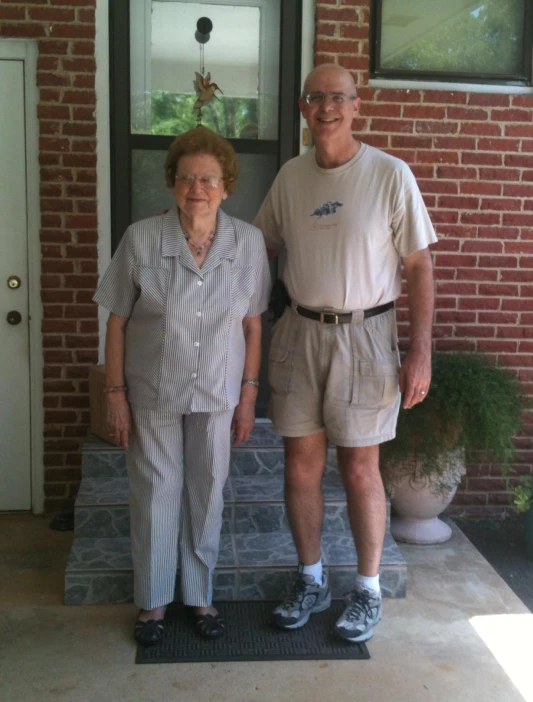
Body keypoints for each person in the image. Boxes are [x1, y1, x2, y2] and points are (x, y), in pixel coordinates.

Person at [253, 64, 437, 643]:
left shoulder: (389, 174)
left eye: (338, 97)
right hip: (299, 332)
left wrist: (420, 349)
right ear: (304, 108)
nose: (326, 107)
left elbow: (419, 267)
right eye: (315, 97)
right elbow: (261, 247)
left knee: (360, 469)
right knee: (300, 466)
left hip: (367, 336)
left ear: (357, 106)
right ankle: (310, 578)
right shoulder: (289, 178)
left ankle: (366, 589)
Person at [93, 126, 270, 645]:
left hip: (218, 394)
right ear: (172, 183)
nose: (198, 188)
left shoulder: (248, 244)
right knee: (155, 494)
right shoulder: (141, 239)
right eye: (188, 178)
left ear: (227, 185)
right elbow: (117, 322)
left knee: (206, 492)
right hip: (152, 393)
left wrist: (249, 395)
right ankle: (152, 604)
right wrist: (114, 394)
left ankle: (199, 596)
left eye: (209, 179)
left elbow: (254, 324)